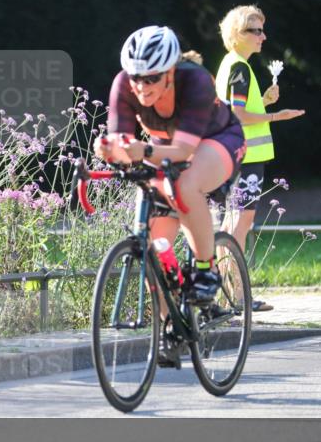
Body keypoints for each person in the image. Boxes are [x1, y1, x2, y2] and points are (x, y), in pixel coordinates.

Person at [94, 25, 247, 310]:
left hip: (216, 139)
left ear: (171, 72)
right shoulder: (123, 85)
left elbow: (183, 152)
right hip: (163, 147)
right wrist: (107, 149)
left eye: (152, 78)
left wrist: (143, 151)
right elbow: (122, 145)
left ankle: (206, 270)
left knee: (184, 183)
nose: (142, 86)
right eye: (137, 77)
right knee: (152, 248)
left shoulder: (195, 80)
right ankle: (169, 333)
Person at [215, 5, 305, 312]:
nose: (263, 37)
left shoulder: (232, 64)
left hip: (234, 156)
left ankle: (226, 293)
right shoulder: (240, 67)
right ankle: (238, 296)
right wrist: (277, 114)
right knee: (240, 224)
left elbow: (234, 108)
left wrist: (263, 102)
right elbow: (238, 115)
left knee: (231, 225)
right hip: (247, 158)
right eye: (256, 31)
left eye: (262, 30)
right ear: (237, 35)